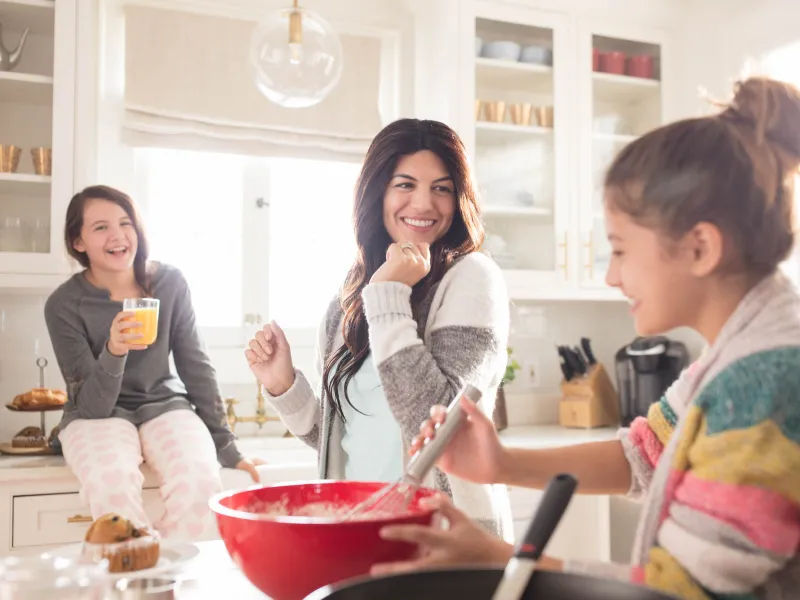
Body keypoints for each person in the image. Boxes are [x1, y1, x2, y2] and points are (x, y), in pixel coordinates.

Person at [375, 77, 800, 598]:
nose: (611, 276)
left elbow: (682, 594)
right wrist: (502, 464)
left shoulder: (764, 382)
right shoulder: (742, 349)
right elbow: (644, 454)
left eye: (619, 250)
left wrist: (496, 559)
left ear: (700, 248)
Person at [245, 119, 512, 537]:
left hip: (444, 538)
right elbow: (343, 437)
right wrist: (284, 386)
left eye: (441, 188)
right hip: (357, 530)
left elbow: (439, 428)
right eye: (405, 184)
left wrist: (387, 296)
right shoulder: (348, 300)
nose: (424, 203)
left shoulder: (471, 278)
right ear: (377, 192)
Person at [45, 185, 262, 541]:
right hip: (95, 415)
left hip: (165, 405)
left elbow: (195, 364)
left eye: (125, 223)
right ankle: (134, 584)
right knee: (110, 486)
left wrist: (227, 447)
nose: (117, 235)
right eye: (100, 227)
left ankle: (168, 583)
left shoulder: (168, 283)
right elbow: (93, 407)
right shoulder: (64, 305)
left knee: (199, 482)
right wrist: (114, 350)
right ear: (78, 242)